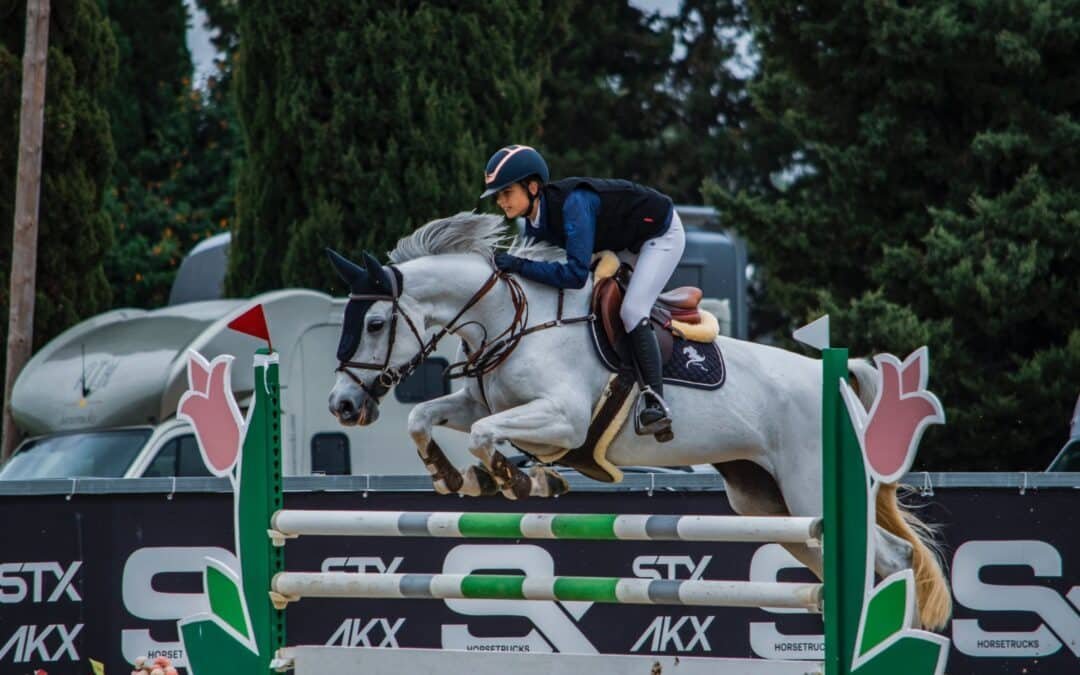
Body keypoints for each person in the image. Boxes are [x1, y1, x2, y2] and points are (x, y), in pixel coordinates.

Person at [480, 144, 685, 439]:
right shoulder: (534, 221)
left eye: (506, 193)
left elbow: (575, 275)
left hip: (658, 236)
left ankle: (655, 401)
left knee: (632, 310)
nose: (501, 201)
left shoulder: (573, 204)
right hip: (619, 242)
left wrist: (517, 264)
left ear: (533, 187)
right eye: (498, 195)